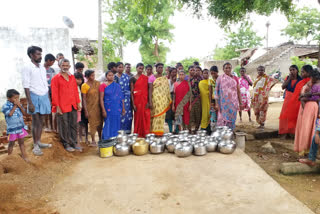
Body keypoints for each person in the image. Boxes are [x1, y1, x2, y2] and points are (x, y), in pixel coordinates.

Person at [22, 46, 52, 156]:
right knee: (36, 121)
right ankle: (35, 146)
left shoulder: (42, 68)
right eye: (38, 54)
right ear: (31, 55)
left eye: (40, 54)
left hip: (44, 95)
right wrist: (30, 102)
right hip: (34, 96)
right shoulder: (27, 67)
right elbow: (26, 85)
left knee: (42, 121)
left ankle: (39, 141)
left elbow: (45, 84)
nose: (40, 56)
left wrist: (48, 98)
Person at [51, 59, 82, 152]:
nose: (65, 67)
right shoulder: (55, 78)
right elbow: (54, 94)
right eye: (63, 65)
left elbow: (75, 91)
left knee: (73, 124)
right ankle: (66, 143)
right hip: (62, 106)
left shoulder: (72, 77)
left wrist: (78, 103)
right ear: (59, 66)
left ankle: (74, 142)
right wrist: (57, 106)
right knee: (64, 125)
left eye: (67, 65)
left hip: (73, 104)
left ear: (69, 66)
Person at [294, 67, 318, 156]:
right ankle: (305, 150)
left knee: (307, 128)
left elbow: (314, 97)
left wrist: (303, 98)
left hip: (308, 107)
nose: (301, 73)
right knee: (304, 128)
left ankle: (307, 151)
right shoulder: (310, 83)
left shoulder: (313, 84)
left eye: (303, 72)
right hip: (305, 107)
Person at [2, 89, 29, 162]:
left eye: (18, 98)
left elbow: (25, 114)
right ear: (8, 98)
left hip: (20, 127)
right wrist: (15, 106)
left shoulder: (18, 104)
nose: (17, 100)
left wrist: (20, 106)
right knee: (11, 144)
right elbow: (10, 114)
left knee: (22, 143)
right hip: (12, 129)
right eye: (15, 98)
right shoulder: (5, 106)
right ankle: (9, 159)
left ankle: (24, 157)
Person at [215, 62, 243, 130]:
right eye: (226, 68)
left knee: (232, 119)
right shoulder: (220, 78)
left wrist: (240, 103)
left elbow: (238, 91)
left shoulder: (235, 78)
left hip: (233, 103)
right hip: (223, 104)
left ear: (231, 69)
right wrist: (216, 103)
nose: (228, 69)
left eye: (229, 68)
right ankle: (224, 134)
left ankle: (230, 132)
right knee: (222, 119)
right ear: (223, 69)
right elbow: (216, 91)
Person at [100, 71, 125, 140]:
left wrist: (123, 108)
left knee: (117, 123)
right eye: (109, 75)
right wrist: (103, 110)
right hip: (108, 108)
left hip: (117, 108)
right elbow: (101, 99)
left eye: (112, 75)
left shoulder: (117, 85)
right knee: (108, 123)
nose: (111, 77)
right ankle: (107, 140)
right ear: (106, 76)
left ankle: (116, 139)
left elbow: (121, 97)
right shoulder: (103, 85)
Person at [149, 63, 172, 136]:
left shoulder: (164, 78)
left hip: (163, 100)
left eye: (162, 68)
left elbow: (166, 89)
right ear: (156, 68)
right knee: (155, 115)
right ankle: (153, 133)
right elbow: (150, 90)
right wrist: (150, 101)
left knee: (161, 116)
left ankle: (159, 132)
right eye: (159, 67)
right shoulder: (151, 77)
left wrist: (167, 99)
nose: (160, 69)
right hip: (155, 99)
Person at [279, 65, 302, 136]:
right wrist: (289, 79)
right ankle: (284, 132)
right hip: (287, 99)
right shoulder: (288, 78)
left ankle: (293, 132)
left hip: (296, 100)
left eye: (293, 70)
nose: (292, 71)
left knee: (294, 115)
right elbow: (283, 87)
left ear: (297, 70)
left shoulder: (300, 79)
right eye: (290, 70)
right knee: (285, 115)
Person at [81, 70, 103, 146]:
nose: (93, 77)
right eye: (91, 76)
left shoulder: (98, 83)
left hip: (98, 107)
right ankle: (93, 140)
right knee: (92, 124)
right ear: (87, 77)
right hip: (90, 107)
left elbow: (101, 95)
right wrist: (86, 110)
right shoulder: (84, 86)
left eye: (94, 75)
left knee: (100, 123)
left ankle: (100, 138)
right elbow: (83, 99)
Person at [130, 63, 151, 137]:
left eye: (142, 68)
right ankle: (138, 134)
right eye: (139, 68)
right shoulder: (132, 79)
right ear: (136, 68)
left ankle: (145, 134)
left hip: (145, 100)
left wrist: (149, 101)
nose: (141, 70)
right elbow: (132, 92)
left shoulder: (146, 78)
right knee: (138, 117)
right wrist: (133, 104)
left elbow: (148, 90)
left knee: (145, 116)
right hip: (137, 101)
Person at [114, 62, 133, 134]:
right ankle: (118, 134)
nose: (120, 68)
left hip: (127, 100)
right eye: (119, 67)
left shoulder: (127, 77)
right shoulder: (114, 77)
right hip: (117, 99)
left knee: (127, 116)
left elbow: (130, 89)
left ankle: (127, 133)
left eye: (122, 67)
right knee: (118, 116)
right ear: (116, 68)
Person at [44, 54, 56, 132]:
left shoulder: (52, 70)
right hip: (44, 92)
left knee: (51, 109)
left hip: (52, 91)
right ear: (48, 60)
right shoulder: (41, 69)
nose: (53, 63)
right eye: (52, 62)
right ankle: (46, 126)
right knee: (46, 109)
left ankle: (52, 126)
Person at [188, 65, 202, 133]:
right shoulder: (188, 79)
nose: (194, 72)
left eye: (195, 70)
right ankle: (190, 130)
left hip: (198, 99)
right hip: (190, 99)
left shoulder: (200, 79)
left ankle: (196, 129)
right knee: (190, 115)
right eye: (192, 70)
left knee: (198, 115)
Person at [74, 72, 87, 146]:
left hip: (79, 109)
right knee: (75, 125)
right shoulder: (73, 87)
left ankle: (78, 141)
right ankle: (76, 142)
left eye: (80, 79)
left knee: (78, 125)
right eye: (77, 79)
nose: (79, 81)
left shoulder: (79, 87)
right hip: (74, 109)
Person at [199, 69, 211, 134]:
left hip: (211, 101)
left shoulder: (211, 81)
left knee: (211, 114)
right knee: (204, 114)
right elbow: (203, 92)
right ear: (202, 74)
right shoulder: (201, 83)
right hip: (204, 101)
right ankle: (203, 128)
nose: (206, 74)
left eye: (207, 73)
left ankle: (210, 129)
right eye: (204, 73)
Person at [165, 67, 177, 133]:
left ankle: (176, 129)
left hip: (177, 98)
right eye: (172, 72)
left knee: (176, 114)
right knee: (169, 115)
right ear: (170, 73)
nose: (174, 73)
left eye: (175, 72)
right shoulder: (167, 81)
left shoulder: (178, 81)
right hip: (168, 98)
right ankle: (170, 130)